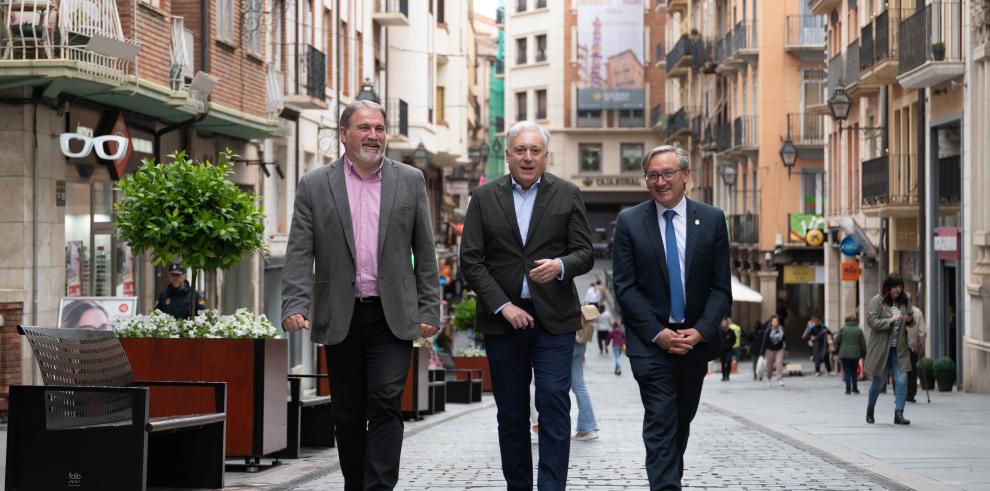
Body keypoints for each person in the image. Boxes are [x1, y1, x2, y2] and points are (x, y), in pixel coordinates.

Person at [280, 100, 441, 490]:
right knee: (348, 413)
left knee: (386, 401)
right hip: (341, 314)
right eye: (365, 128)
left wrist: (430, 309)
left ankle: (378, 487)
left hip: (392, 315)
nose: (374, 136)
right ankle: (357, 484)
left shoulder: (410, 180)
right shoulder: (315, 185)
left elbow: (426, 249)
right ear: (343, 134)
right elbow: (300, 250)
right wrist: (294, 303)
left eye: (379, 128)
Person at [459, 120, 594, 490]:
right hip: (504, 321)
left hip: (554, 320)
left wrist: (561, 265)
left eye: (535, 151)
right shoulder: (484, 198)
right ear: (508, 156)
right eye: (521, 150)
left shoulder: (567, 194)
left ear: (546, 156)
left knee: (553, 403)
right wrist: (504, 305)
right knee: (512, 414)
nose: (528, 157)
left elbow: (585, 253)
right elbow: (471, 261)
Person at [612, 145, 732, 490]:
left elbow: (720, 289)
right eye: (653, 175)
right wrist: (657, 333)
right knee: (661, 419)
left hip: (695, 342)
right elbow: (625, 288)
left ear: (685, 176)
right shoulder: (630, 222)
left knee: (680, 421)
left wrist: (701, 331)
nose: (661, 181)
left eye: (668, 173)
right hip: (650, 343)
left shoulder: (711, 220)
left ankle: (668, 478)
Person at [865, 273, 914, 425]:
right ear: (888, 287)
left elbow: (911, 320)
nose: (898, 290)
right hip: (881, 349)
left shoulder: (905, 301)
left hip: (899, 349)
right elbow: (871, 321)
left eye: (900, 286)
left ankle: (899, 413)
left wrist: (909, 319)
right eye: (895, 286)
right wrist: (889, 321)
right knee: (878, 383)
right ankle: (870, 409)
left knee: (902, 379)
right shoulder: (877, 301)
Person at [571, 306, 599, 442]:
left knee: (562, 387)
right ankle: (586, 428)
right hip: (580, 343)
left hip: (568, 343)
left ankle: (588, 428)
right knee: (579, 386)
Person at [834, 310, 866, 395]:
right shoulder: (859, 330)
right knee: (854, 371)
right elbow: (863, 344)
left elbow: (836, 341)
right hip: (856, 354)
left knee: (847, 371)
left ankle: (848, 389)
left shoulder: (842, 329)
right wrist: (863, 354)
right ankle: (855, 388)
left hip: (844, 353)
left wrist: (838, 348)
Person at [906, 305, 928, 403]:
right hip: (912, 347)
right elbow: (922, 332)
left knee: (899, 371)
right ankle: (910, 394)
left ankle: (899, 394)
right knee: (912, 371)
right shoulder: (918, 312)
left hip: (900, 347)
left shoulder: (897, 310)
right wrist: (921, 344)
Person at [761, 315, 787, 387]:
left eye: (776, 321)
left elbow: (784, 339)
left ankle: (780, 379)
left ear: (778, 322)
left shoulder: (781, 329)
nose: (775, 323)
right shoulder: (768, 330)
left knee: (779, 364)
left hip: (779, 349)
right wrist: (762, 352)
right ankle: (769, 379)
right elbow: (764, 341)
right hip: (770, 350)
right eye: (773, 321)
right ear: (771, 322)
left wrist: (787, 348)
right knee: (769, 366)